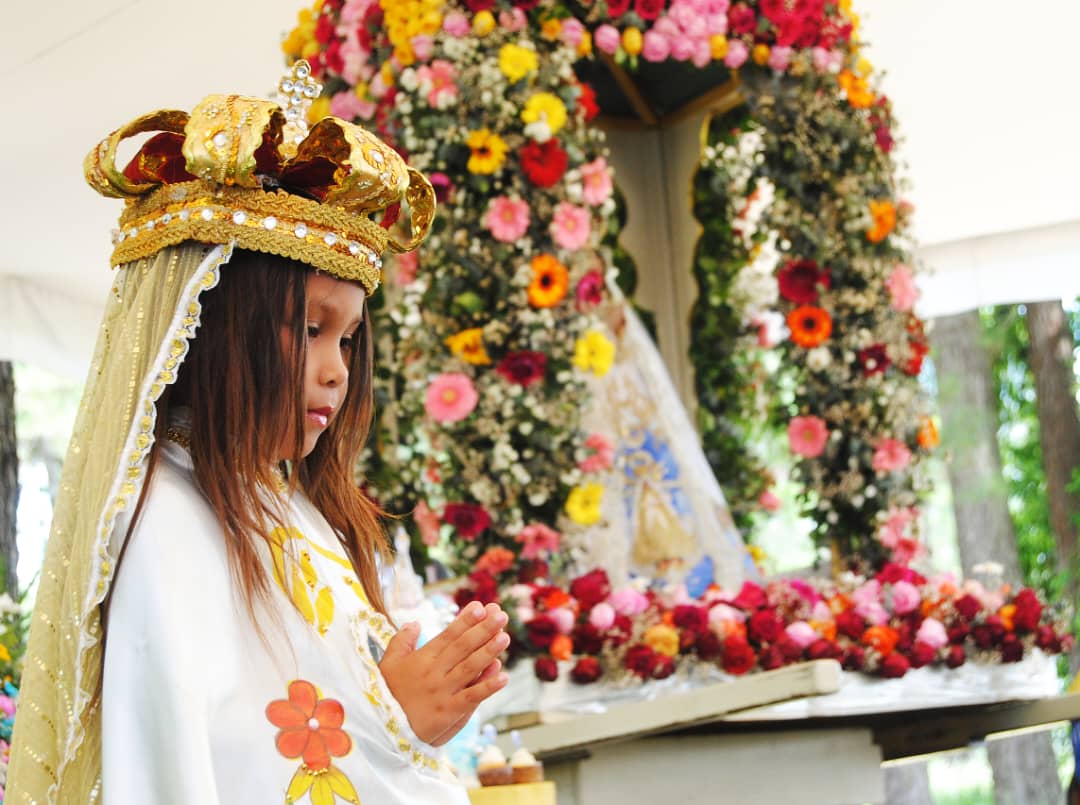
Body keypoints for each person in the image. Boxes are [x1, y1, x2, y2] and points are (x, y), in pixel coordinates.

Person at [7, 61, 508, 804]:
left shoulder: (284, 504)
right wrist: (392, 722)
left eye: (347, 340)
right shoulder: (168, 524)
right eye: (310, 328)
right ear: (210, 326)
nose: (337, 371)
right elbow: (194, 772)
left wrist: (398, 707)